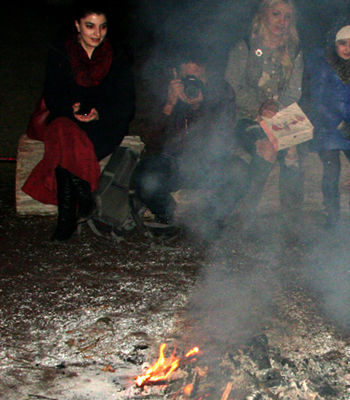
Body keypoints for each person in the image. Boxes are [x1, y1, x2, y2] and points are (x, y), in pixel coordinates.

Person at [22, 0, 135, 242]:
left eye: (102, 27)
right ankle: (83, 198)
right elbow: (52, 94)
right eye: (90, 26)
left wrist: (98, 112)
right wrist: (70, 110)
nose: (97, 33)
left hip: (104, 126)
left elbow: (125, 102)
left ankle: (67, 221)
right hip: (68, 120)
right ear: (77, 25)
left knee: (64, 148)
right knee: (63, 130)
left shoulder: (118, 54)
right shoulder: (61, 50)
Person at [133, 52, 251, 239]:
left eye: (199, 77)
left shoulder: (221, 91)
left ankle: (212, 216)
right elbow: (149, 138)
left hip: (206, 163)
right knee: (147, 180)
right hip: (168, 162)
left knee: (240, 172)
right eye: (187, 78)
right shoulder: (159, 90)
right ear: (175, 74)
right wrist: (169, 105)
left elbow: (223, 137)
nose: (193, 84)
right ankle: (167, 214)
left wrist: (200, 107)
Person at [224, 0, 304, 215]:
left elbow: (294, 92)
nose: (282, 21)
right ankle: (245, 212)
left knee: (293, 148)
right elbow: (231, 89)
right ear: (263, 15)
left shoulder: (294, 49)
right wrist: (259, 108)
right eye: (276, 14)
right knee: (267, 148)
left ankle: (292, 216)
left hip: (280, 113)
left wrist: (276, 107)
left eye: (288, 16)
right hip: (246, 115)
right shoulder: (245, 47)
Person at [306, 16, 350, 228]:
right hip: (329, 126)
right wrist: (339, 124)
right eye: (342, 43)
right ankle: (332, 215)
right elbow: (318, 100)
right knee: (332, 167)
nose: (348, 48)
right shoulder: (324, 66)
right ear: (334, 44)